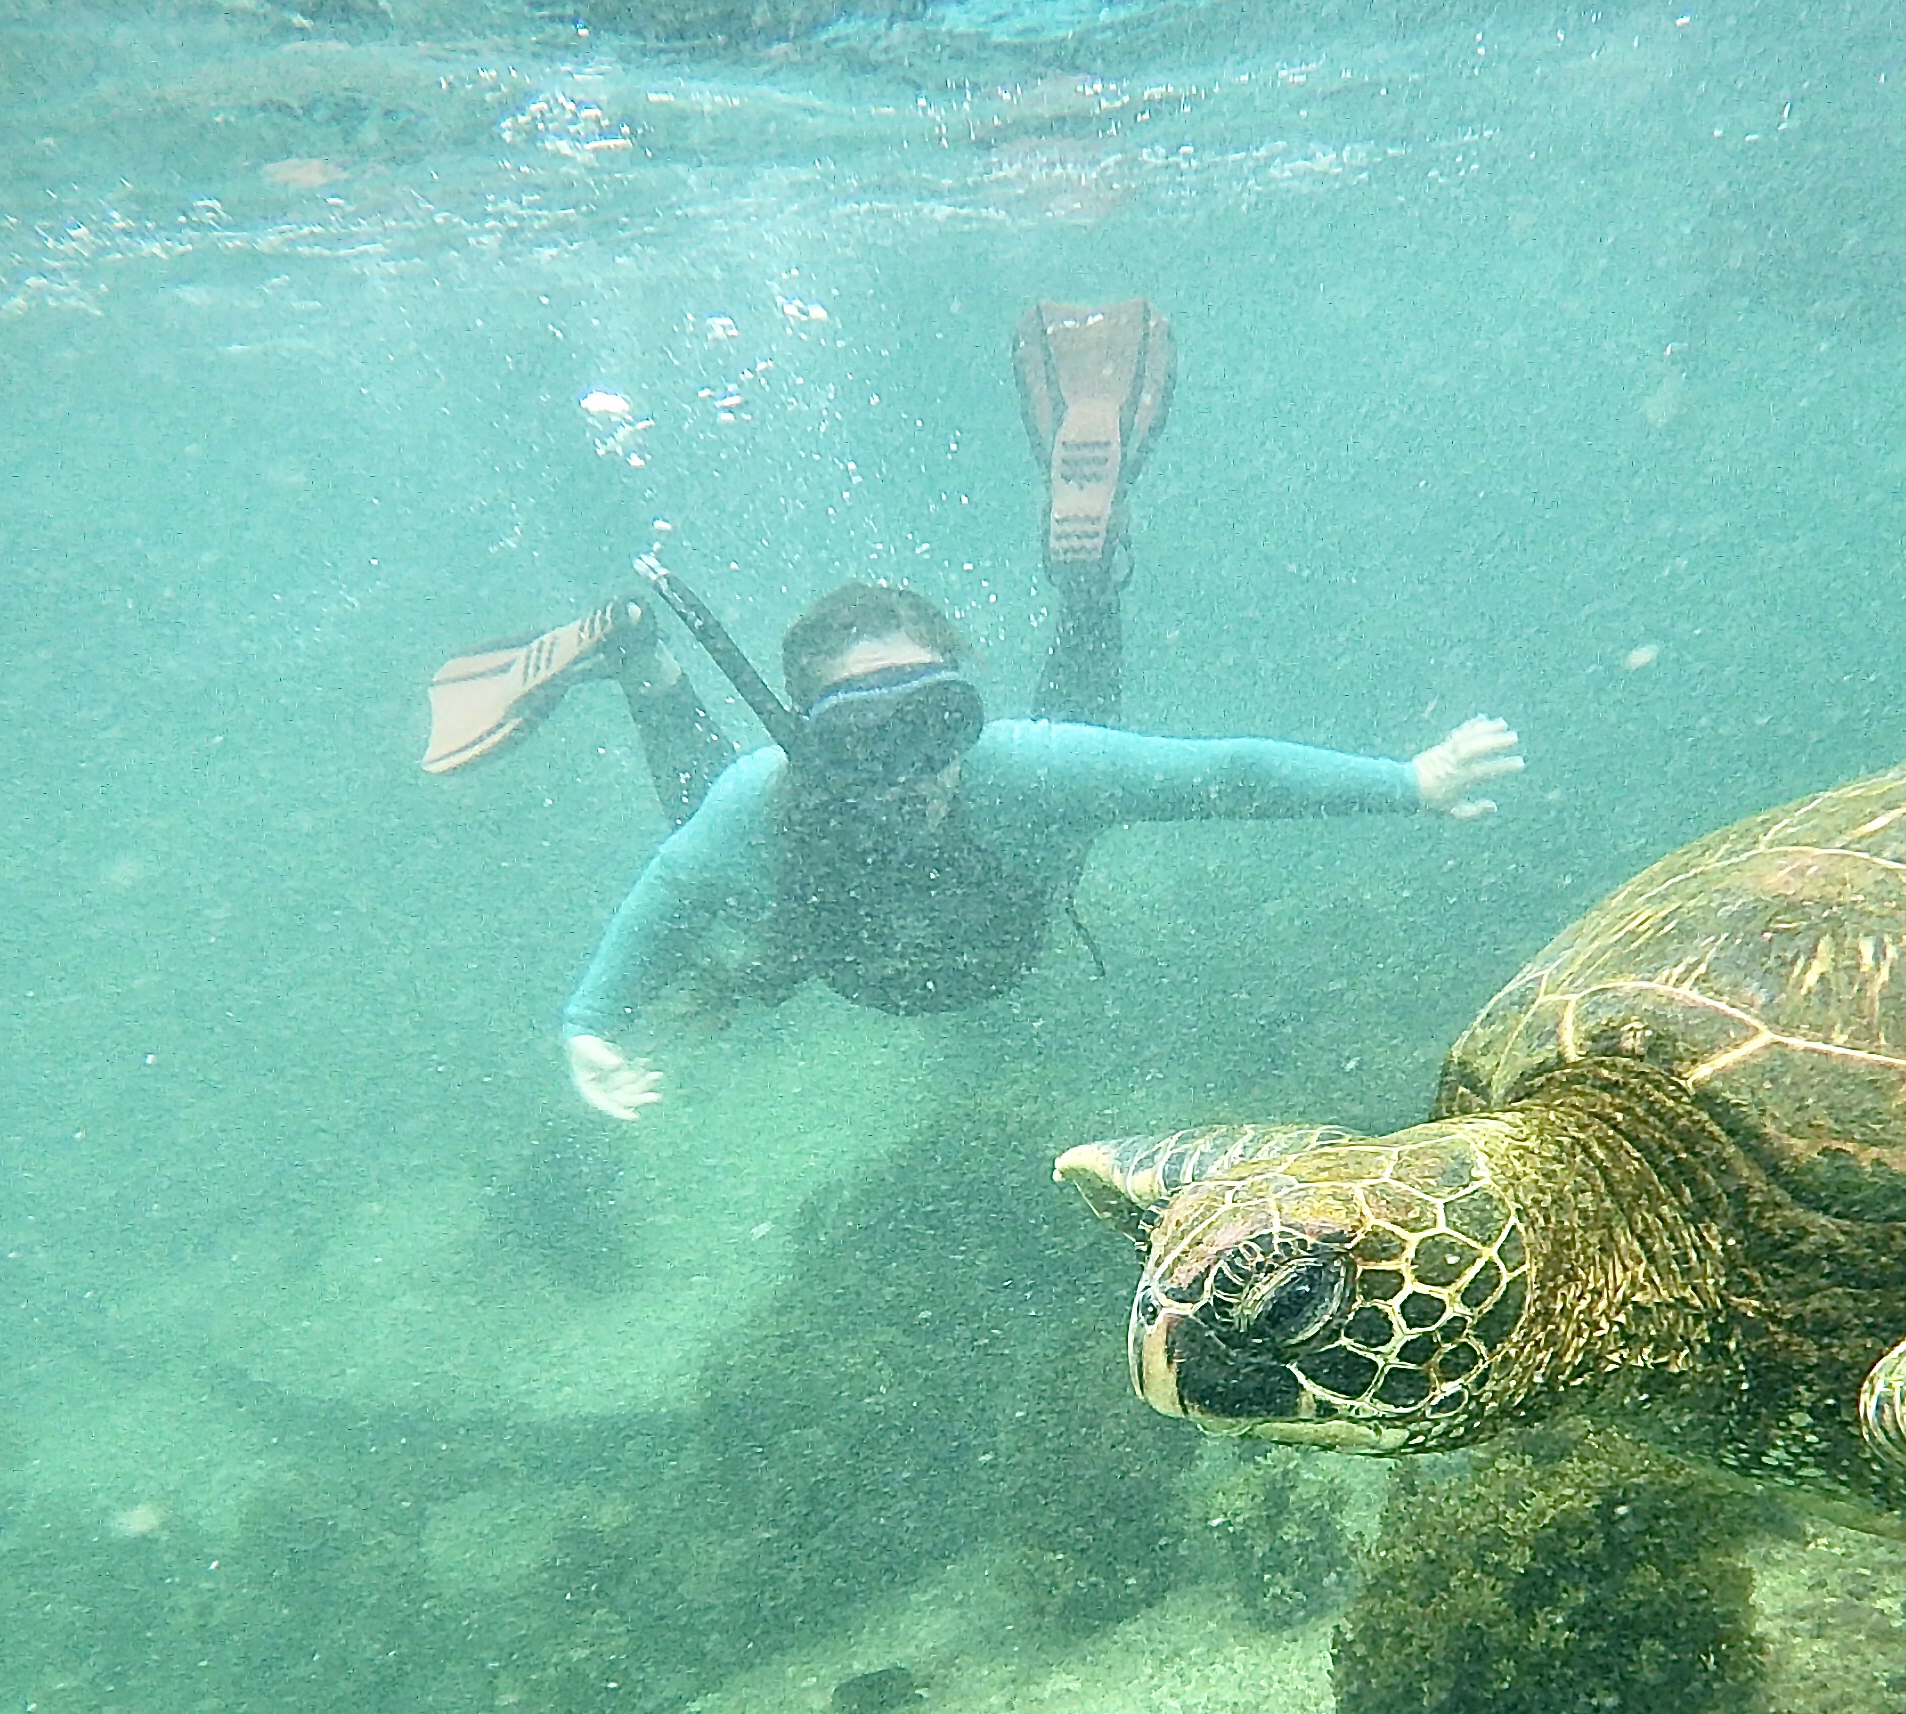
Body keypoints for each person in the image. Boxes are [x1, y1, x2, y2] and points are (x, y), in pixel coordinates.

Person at [419, 301, 1525, 1124]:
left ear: (965, 711)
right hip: (906, 912)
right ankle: (653, 664)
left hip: (902, 918)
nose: (907, 768)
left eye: (933, 723)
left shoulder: (1018, 769)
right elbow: (666, 900)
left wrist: (1409, 783)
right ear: (807, 734)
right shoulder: (766, 797)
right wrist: (586, 1024)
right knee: (714, 818)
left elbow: (1225, 775)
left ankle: (1075, 566)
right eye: (860, 736)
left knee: (1076, 754)